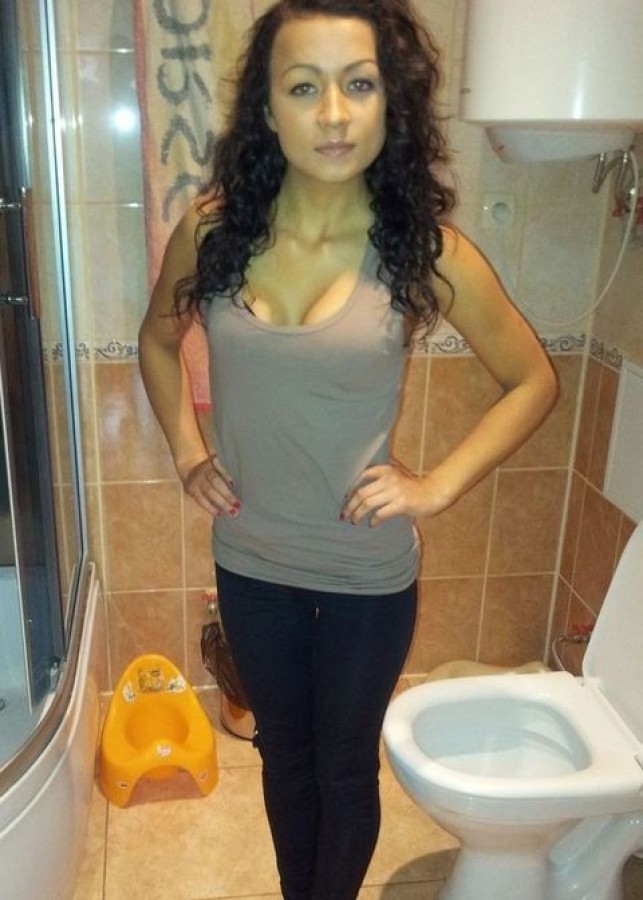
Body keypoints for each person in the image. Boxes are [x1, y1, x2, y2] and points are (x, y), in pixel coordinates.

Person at [138, 0, 558, 896]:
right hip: (251, 558)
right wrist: (185, 452)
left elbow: (532, 381)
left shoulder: (424, 251)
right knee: (283, 754)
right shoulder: (212, 231)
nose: (333, 113)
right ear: (267, 109)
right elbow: (156, 340)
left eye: (358, 84)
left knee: (342, 766)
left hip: (366, 573)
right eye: (304, 87)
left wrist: (435, 485)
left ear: (387, 102)